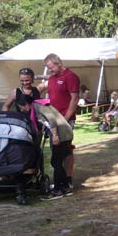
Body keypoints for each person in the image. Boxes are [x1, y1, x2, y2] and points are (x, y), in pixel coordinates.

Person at [39, 53, 80, 191]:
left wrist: (66, 119)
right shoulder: (52, 78)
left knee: (65, 150)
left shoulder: (70, 76)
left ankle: (66, 180)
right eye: (47, 67)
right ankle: (61, 180)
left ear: (58, 63)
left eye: (51, 67)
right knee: (56, 150)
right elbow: (45, 89)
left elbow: (75, 99)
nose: (49, 70)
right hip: (53, 120)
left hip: (65, 119)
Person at [31, 97, 74, 199]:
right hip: (66, 133)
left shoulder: (38, 106)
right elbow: (46, 122)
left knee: (56, 162)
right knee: (57, 162)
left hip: (62, 135)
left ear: (24, 104)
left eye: (21, 107)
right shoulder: (43, 105)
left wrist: (55, 135)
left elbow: (51, 120)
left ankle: (57, 191)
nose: (23, 109)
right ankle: (66, 187)